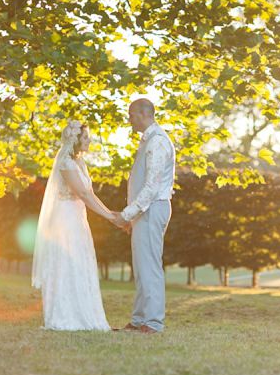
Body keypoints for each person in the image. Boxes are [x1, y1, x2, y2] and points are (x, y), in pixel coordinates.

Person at [32, 120, 113, 331]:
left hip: (78, 219)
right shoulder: (66, 163)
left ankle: (83, 313)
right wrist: (111, 218)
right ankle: (63, 316)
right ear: (75, 140)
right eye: (86, 137)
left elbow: (91, 194)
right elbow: (84, 194)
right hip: (65, 220)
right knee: (65, 265)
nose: (90, 140)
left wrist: (111, 213)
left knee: (80, 264)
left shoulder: (81, 163)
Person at [112, 98, 175, 334]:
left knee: (150, 267)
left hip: (153, 208)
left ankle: (153, 323)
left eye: (131, 115)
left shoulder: (157, 141)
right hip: (144, 212)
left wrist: (127, 215)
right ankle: (139, 320)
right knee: (141, 267)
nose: (129, 120)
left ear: (142, 114)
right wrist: (133, 216)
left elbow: (151, 186)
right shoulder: (148, 140)